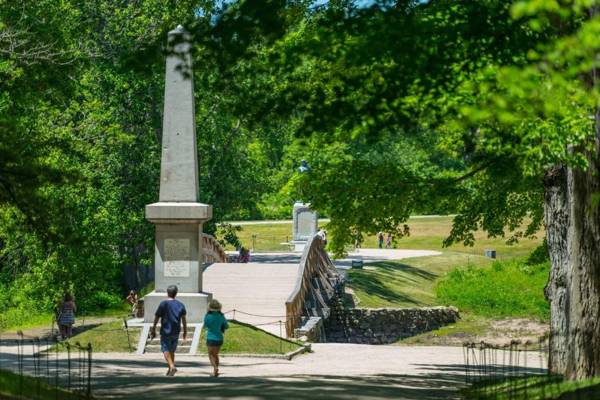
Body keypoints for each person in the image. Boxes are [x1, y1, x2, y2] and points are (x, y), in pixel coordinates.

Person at [151, 285, 187, 377]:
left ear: (167, 293)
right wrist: (185, 332)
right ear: (176, 293)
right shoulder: (180, 304)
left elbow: (157, 317)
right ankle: (170, 369)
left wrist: (153, 328)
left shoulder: (163, 304)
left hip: (166, 330)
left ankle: (171, 366)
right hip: (176, 331)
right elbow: (184, 320)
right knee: (172, 351)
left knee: (165, 349)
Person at [203, 299, 229, 377]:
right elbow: (227, 326)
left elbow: (205, 326)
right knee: (216, 354)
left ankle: (215, 368)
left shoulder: (208, 316)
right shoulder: (221, 315)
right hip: (219, 338)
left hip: (210, 337)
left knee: (210, 355)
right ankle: (216, 371)